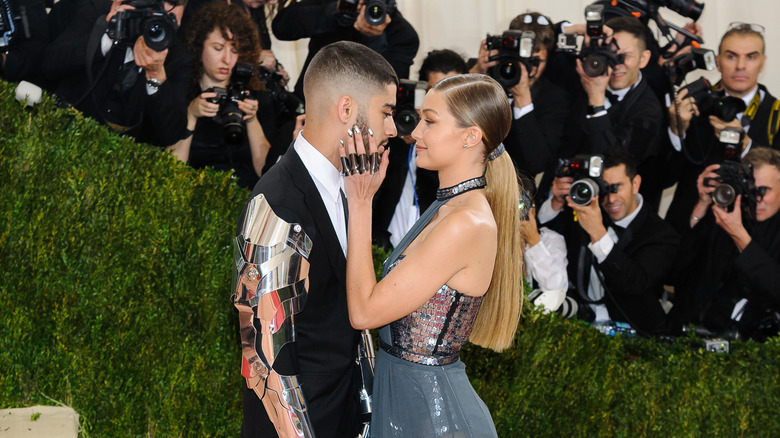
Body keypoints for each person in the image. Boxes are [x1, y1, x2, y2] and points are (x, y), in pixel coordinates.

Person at [341, 73, 523, 437]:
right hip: (409, 404)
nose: (416, 133)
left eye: (431, 121)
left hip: (435, 421)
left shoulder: (465, 223)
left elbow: (364, 312)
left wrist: (361, 203)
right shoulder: (448, 207)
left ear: (471, 136)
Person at [234, 40, 398, 438]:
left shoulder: (353, 186)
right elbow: (264, 359)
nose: (393, 129)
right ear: (346, 110)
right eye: (386, 112)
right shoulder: (278, 202)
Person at [538, 148, 678, 336]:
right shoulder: (589, 209)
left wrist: (598, 234)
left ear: (635, 184)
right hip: (577, 326)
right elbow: (546, 237)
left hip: (635, 336)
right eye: (604, 188)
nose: (611, 199)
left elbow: (635, 283)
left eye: (616, 187)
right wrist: (556, 201)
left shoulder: (661, 234)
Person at [664, 22, 779, 233]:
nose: (741, 66)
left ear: (762, 64)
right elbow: (664, 178)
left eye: (751, 57)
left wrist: (747, 145)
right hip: (691, 234)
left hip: (755, 236)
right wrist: (676, 131)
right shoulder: (690, 104)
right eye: (731, 56)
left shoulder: (777, 114)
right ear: (717, 62)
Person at [540, 16, 665, 209]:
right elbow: (543, 45)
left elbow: (612, 165)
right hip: (557, 199)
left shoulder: (649, 112)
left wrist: (596, 100)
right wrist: (577, 29)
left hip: (608, 210)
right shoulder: (584, 73)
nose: (616, 64)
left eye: (625, 56)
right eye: (610, 54)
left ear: (644, 59)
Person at [41, 0, 193, 147]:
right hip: (63, 130)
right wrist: (107, 38)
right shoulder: (100, 13)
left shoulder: (178, 58)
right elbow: (49, 65)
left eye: (169, 24)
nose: (157, 29)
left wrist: (156, 75)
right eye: (151, 17)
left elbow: (171, 135)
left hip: (121, 158)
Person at [671, 147, 780, 341]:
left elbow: (774, 288)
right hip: (690, 332)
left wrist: (738, 234)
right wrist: (703, 204)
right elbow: (676, 270)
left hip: (751, 344)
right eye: (750, 190)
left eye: (763, 191)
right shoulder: (724, 215)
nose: (756, 200)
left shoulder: (733, 223)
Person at [166, 2, 275, 189]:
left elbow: (267, 173)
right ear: (199, 46)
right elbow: (171, 174)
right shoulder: (180, 94)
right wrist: (191, 116)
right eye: (218, 48)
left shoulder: (256, 97)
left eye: (234, 51)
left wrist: (251, 120)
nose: (227, 59)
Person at [372, 49, 465, 249]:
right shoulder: (400, 125)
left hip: (438, 245)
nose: (443, 101)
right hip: (384, 243)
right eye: (436, 90)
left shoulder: (468, 140)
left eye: (451, 92)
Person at [470, 11, 570, 177]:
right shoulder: (484, 75)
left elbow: (537, 163)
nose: (529, 70)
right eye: (523, 59)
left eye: (536, 61)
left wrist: (523, 99)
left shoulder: (554, 98)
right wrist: (477, 72)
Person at [271, 0, 418, 101]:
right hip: (311, 105)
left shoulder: (403, 35)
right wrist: (337, 11)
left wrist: (372, 39)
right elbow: (282, 27)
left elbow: (387, 90)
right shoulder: (340, 7)